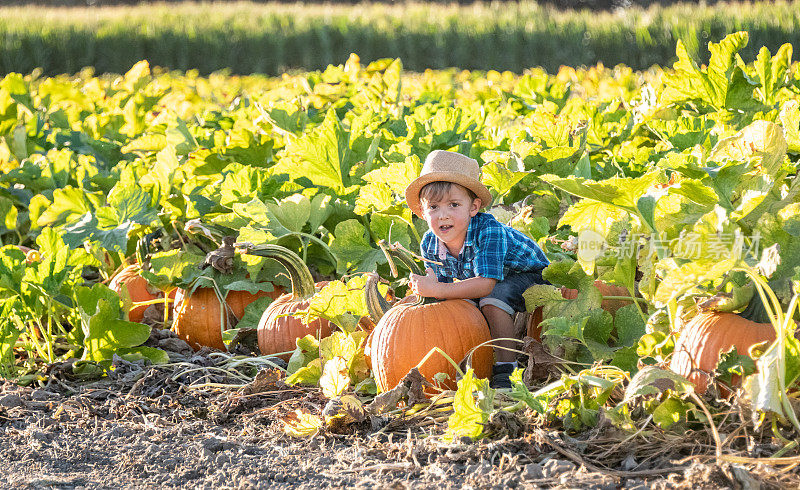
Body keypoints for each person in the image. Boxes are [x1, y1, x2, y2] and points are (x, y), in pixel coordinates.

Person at [404, 150, 550, 389]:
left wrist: (439, 289)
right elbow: (441, 292)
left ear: (473, 207)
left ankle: (507, 371)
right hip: (490, 281)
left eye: (453, 205)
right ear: (422, 212)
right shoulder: (429, 243)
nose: (443, 215)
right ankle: (477, 362)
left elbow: (485, 284)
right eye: (433, 207)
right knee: (463, 306)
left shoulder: (488, 231)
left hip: (532, 278)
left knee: (492, 299)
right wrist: (426, 289)